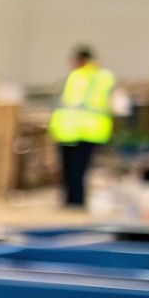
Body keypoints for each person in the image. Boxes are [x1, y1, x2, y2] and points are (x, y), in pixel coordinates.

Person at [50, 45, 118, 209]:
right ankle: (76, 201)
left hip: (70, 131)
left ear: (80, 60)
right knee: (81, 169)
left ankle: (73, 202)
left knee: (71, 169)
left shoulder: (75, 77)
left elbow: (60, 103)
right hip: (92, 131)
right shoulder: (105, 77)